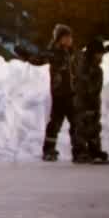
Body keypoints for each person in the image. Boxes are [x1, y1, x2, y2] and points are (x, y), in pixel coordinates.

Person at [71, 37, 109, 165]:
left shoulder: (96, 68)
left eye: (102, 53)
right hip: (84, 101)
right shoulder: (85, 67)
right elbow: (82, 86)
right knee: (82, 126)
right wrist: (87, 102)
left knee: (94, 127)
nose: (101, 56)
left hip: (93, 101)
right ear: (93, 53)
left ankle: (94, 150)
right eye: (99, 53)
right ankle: (79, 151)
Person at [42, 24, 75, 162]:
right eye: (66, 37)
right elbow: (39, 58)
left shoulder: (72, 53)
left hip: (72, 94)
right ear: (59, 39)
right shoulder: (54, 53)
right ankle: (48, 150)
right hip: (59, 93)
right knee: (55, 123)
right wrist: (25, 55)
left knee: (77, 123)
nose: (69, 39)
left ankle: (79, 151)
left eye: (70, 37)